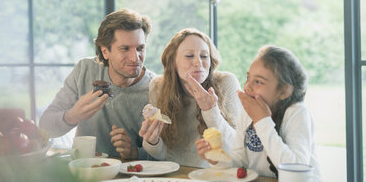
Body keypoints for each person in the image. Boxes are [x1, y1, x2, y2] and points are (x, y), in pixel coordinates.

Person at [39, 8, 156, 159]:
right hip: (85, 171)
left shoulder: (156, 88)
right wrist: (72, 116)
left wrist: (135, 153)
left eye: (140, 48)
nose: (135, 58)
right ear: (105, 51)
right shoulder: (84, 70)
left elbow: (167, 155)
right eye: (125, 49)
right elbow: (45, 127)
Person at [195, 45, 322, 181]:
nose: (247, 86)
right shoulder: (247, 112)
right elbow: (239, 161)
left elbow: (296, 169)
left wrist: (262, 121)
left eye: (258, 82)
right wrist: (216, 159)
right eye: (248, 78)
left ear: (284, 91)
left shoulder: (296, 113)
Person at [137, 28, 243, 168]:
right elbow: (164, 155)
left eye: (204, 56)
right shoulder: (158, 86)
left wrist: (211, 111)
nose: (198, 63)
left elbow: (238, 150)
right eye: (189, 56)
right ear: (173, 61)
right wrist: (152, 142)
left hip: (215, 175)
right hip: (175, 175)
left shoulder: (226, 83)